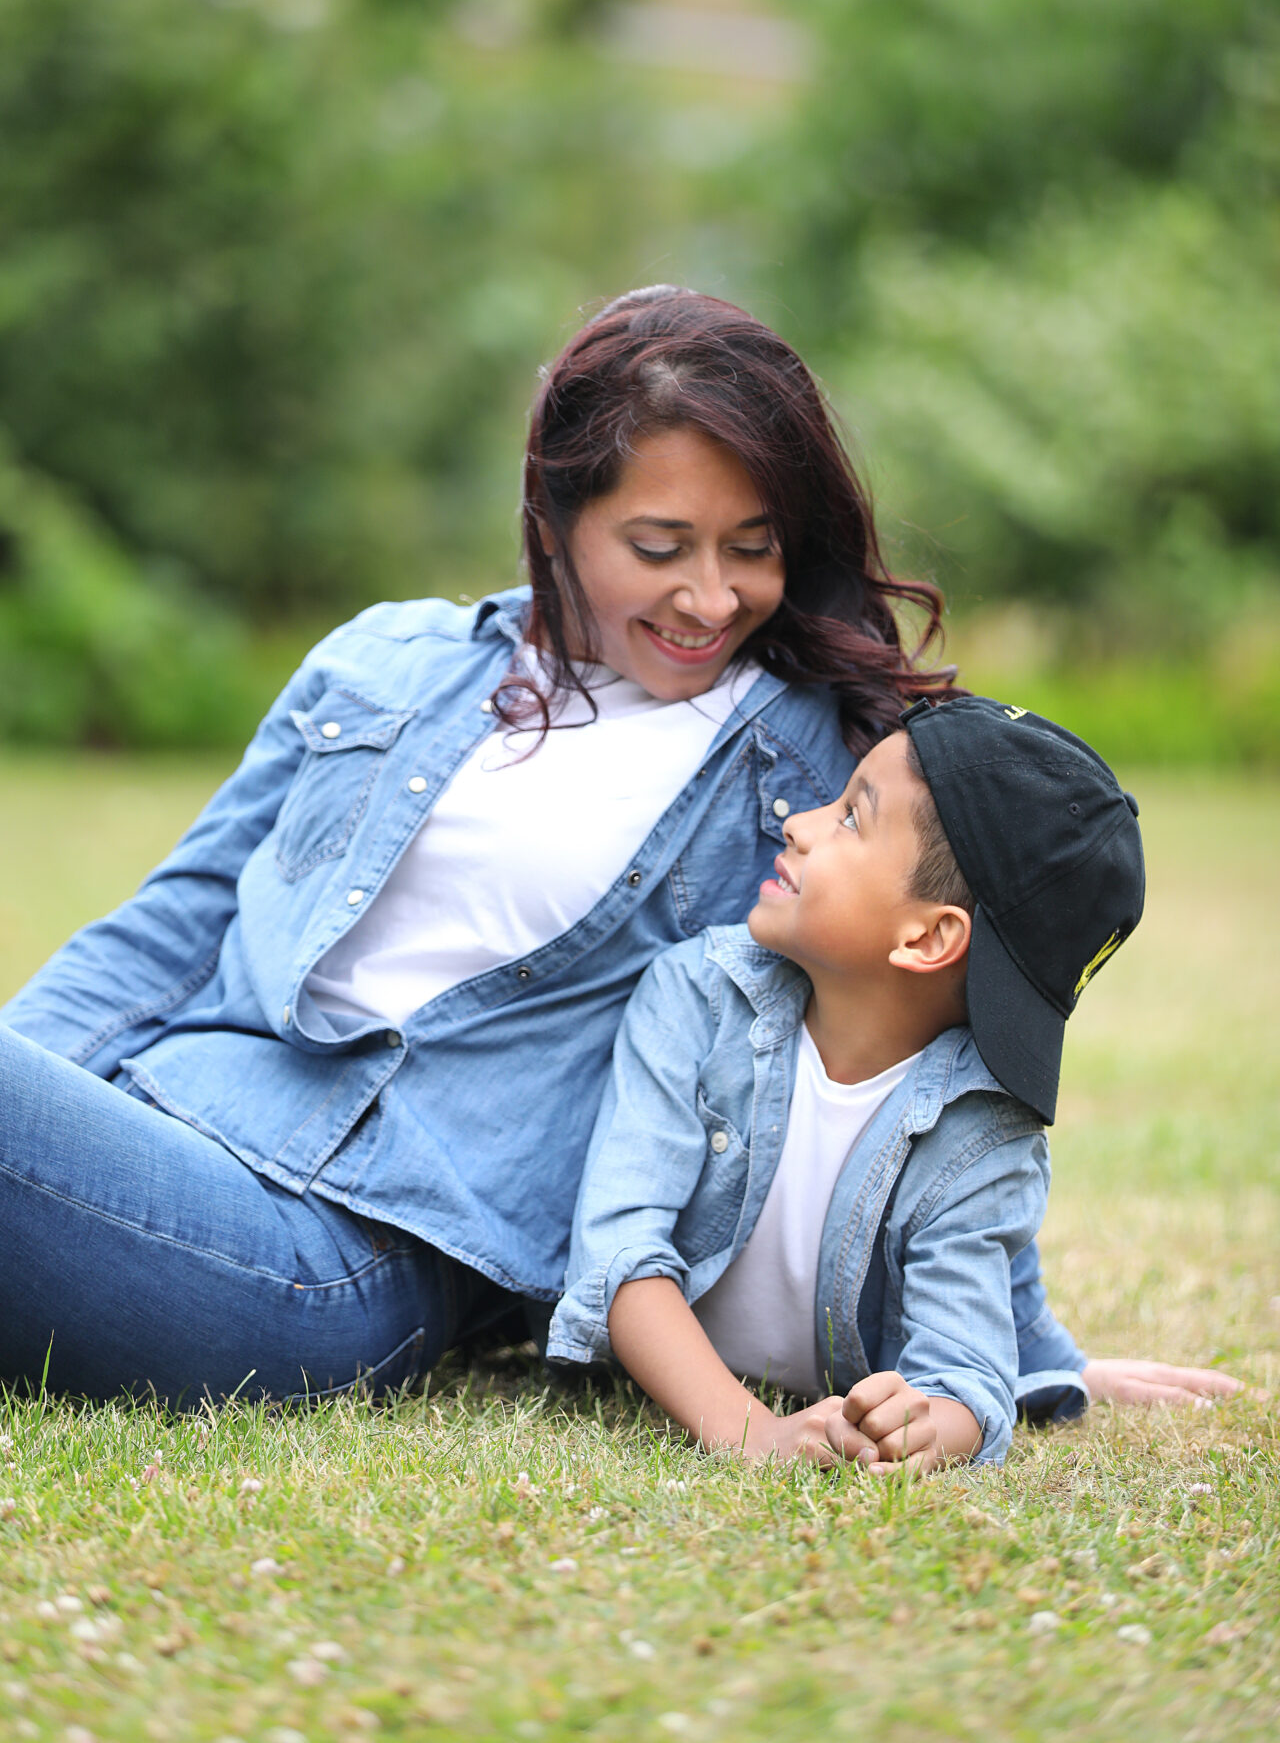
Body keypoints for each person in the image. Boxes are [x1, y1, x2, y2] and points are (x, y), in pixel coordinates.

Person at [0, 287, 1236, 1413]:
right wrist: (46, 1127)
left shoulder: (799, 768)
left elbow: (924, 1058)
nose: (709, 597)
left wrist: (1031, 1362)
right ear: (553, 515)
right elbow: (170, 931)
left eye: (750, 546)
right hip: (148, 1120)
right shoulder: (384, 659)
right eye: (659, 548)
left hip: (328, 1243)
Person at [549, 698, 1154, 1467]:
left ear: (928, 937)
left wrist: (928, 1425)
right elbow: (621, 1250)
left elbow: (962, 1373)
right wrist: (752, 1431)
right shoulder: (696, 995)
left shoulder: (984, 1134)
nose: (799, 821)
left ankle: (1047, 1358)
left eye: (849, 818)